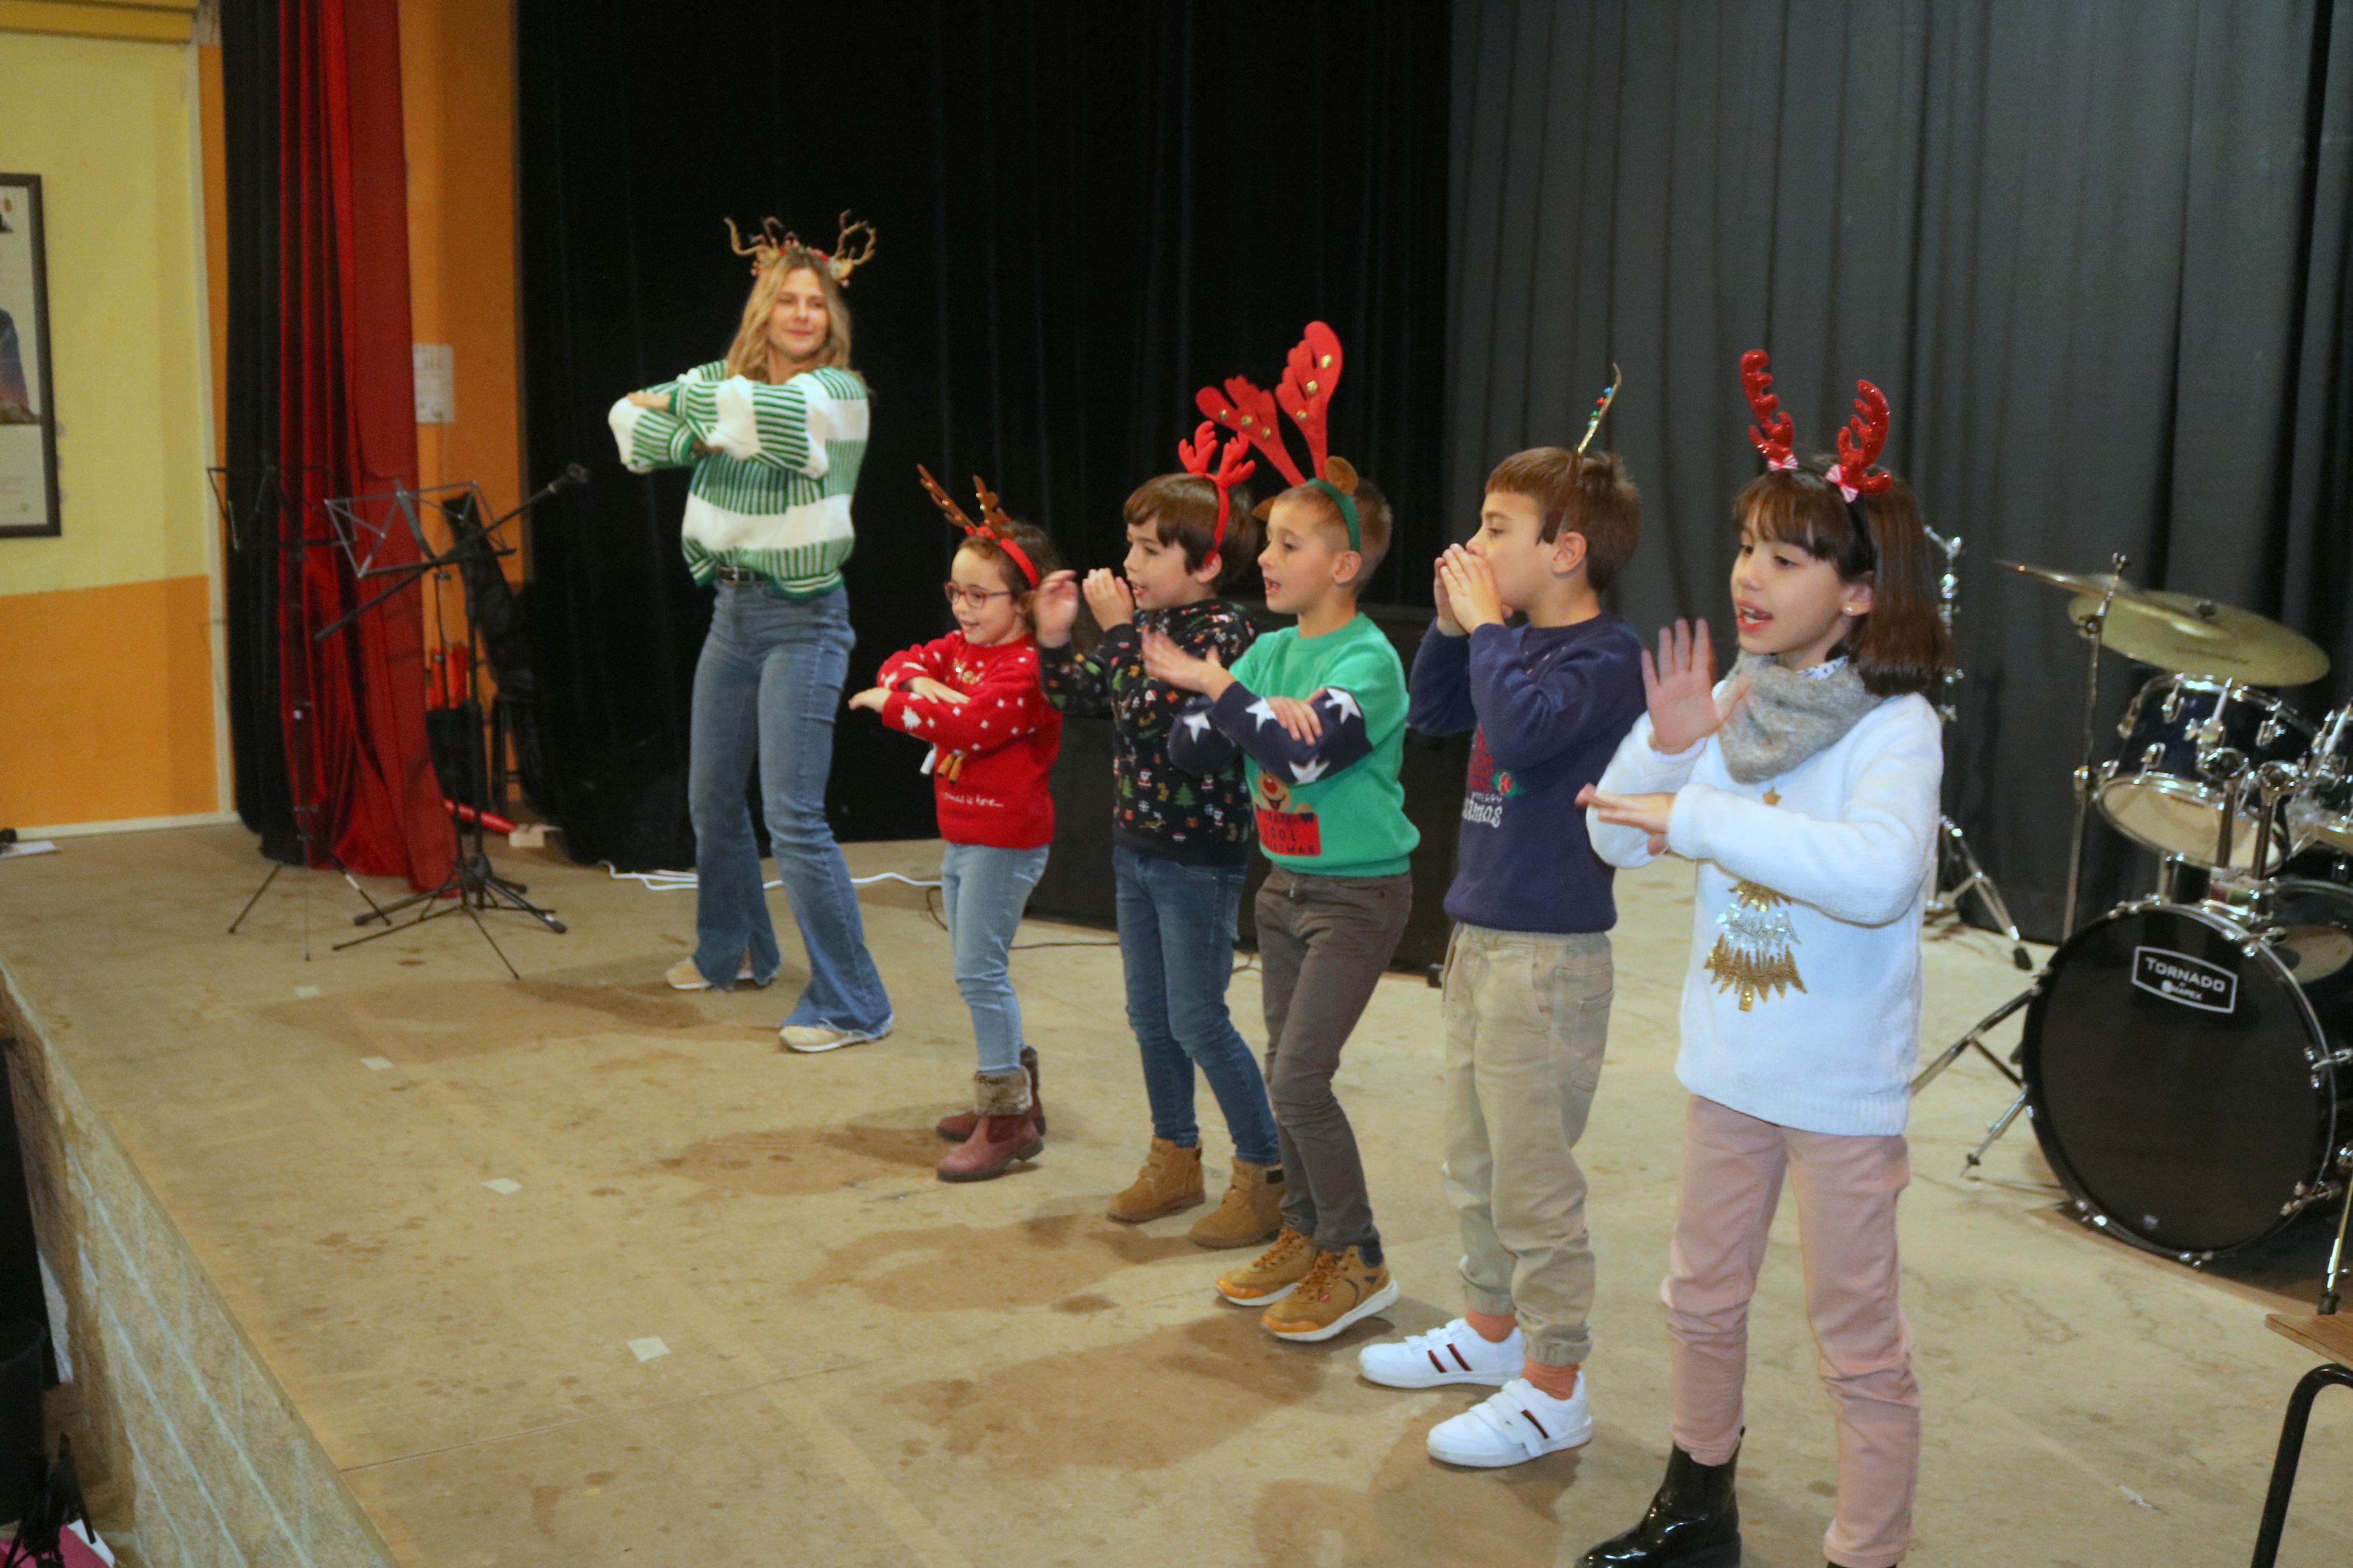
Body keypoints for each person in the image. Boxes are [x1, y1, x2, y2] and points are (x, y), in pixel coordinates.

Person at [1573, 353, 1950, 1568]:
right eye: (1745, 545)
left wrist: (1698, 813)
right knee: (1698, 1299)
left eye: (1786, 558)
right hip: (1728, 1065)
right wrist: (1660, 748)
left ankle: (1863, 1552)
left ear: (1854, 593)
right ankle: (1696, 1511)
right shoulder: (1732, 694)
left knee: (1855, 1341)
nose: (1748, 574)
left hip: (1836, 1088)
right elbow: (1604, 832)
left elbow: (1876, 874)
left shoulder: (1895, 725)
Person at [1360, 414, 1647, 1467]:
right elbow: (1436, 714)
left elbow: (1522, 735)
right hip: (1479, 935)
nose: (1476, 546)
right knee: (1472, 1160)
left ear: (1564, 551)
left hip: (1549, 957)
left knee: (1532, 1181)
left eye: (1496, 528)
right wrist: (1451, 624)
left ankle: (1555, 1382)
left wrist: (1487, 631)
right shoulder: (1506, 638)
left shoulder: (1607, 655)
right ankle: (1490, 1334)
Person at [1152, 323, 1419, 1343]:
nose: (1263, 559)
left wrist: (1226, 698)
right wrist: (1236, 708)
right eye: (1264, 545)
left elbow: (1303, 758)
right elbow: (1196, 748)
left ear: (1345, 563)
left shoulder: (1367, 663)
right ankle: (1306, 1231)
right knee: (1282, 1069)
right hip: (1283, 890)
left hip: (1357, 895)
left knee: (1299, 1080)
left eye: (1287, 546)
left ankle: (1358, 1255)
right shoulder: (1267, 655)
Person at [606, 215, 893, 1054]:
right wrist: (705, 415)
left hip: (804, 619)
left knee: (794, 816)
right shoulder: (728, 382)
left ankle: (854, 1002)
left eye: (817, 303)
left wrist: (698, 414)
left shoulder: (840, 395)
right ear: (765, 307)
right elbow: (630, 427)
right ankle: (733, 947)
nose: (804, 314)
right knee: (708, 799)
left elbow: (764, 420)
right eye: (789, 300)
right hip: (730, 614)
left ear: (830, 319)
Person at [1034, 427, 1284, 1246]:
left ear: (1206, 563)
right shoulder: (1144, 629)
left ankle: (1264, 1172)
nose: (1131, 564)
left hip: (1196, 859)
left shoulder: (1222, 635)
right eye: (1129, 545)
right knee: (1149, 1014)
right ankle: (1174, 1154)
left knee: (1197, 1016)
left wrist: (1113, 633)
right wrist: (1051, 633)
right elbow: (1082, 696)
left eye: (1149, 549)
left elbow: (1169, 730)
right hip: (1136, 847)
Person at [850, 471, 1064, 1182]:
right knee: (979, 970)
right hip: (964, 834)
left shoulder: (1028, 668)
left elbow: (969, 725)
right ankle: (1017, 1096)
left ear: (1025, 601)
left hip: (1005, 841)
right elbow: (903, 659)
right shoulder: (964, 650)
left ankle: (1004, 1118)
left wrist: (891, 702)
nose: (964, 608)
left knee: (979, 971)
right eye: (956, 592)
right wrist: (912, 682)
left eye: (980, 595)